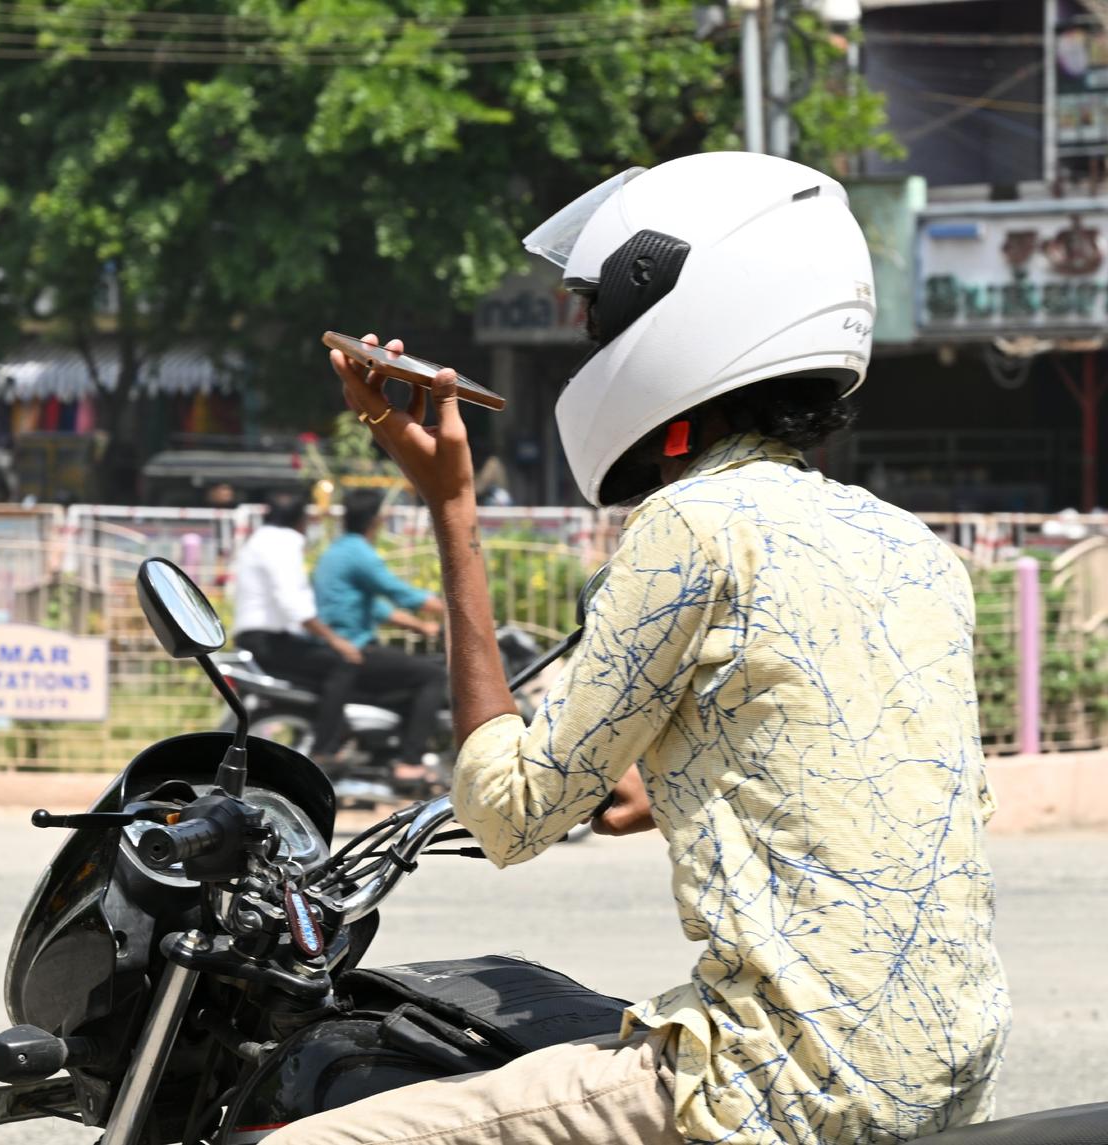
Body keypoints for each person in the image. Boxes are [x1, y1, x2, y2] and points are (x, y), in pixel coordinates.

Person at [272, 152, 1010, 1145]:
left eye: (599, 319)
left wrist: (451, 503)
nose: (587, 345)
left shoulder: (692, 527)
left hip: (777, 1083)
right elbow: (855, 774)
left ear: (690, 310)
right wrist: (670, 786)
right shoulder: (913, 545)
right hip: (948, 1073)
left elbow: (511, 812)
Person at [312, 488, 449, 791]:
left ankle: (390, 750)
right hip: (353, 649)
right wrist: (454, 609)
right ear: (376, 521)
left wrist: (420, 627)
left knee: (411, 674)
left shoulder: (337, 551)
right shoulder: (360, 553)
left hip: (339, 647)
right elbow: (400, 593)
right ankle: (410, 763)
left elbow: (374, 606)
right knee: (433, 675)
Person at [232, 491, 363, 763]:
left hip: (255, 638)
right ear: (301, 519)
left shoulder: (258, 540)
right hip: (269, 641)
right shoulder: (283, 543)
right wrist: (336, 641)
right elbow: (293, 603)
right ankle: (326, 749)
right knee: (342, 663)